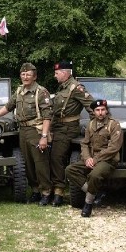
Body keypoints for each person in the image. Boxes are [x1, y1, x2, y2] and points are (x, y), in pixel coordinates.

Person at [0, 62, 53, 205]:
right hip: (23, 131)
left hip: (36, 131)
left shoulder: (41, 92)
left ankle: (46, 193)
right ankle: (35, 191)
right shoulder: (20, 91)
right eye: (23, 74)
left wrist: (44, 136)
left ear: (34, 77)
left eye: (28, 75)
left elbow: (47, 116)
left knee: (40, 163)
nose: (25, 77)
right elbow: (9, 106)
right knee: (28, 164)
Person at [66, 99, 123, 217]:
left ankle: (88, 204)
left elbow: (114, 148)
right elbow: (85, 143)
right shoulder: (91, 124)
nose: (100, 112)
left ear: (107, 111)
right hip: (92, 159)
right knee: (70, 170)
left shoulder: (114, 124)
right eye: (97, 110)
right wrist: (87, 158)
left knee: (94, 175)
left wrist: (95, 159)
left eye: (103, 110)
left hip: (108, 160)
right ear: (93, 112)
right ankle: (94, 193)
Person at [48, 60, 94, 207]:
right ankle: (54, 189)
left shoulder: (76, 88)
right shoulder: (63, 88)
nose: (54, 76)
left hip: (67, 129)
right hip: (57, 127)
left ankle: (59, 192)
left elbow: (92, 106)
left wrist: (96, 127)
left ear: (65, 73)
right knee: (53, 158)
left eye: (56, 73)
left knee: (57, 158)